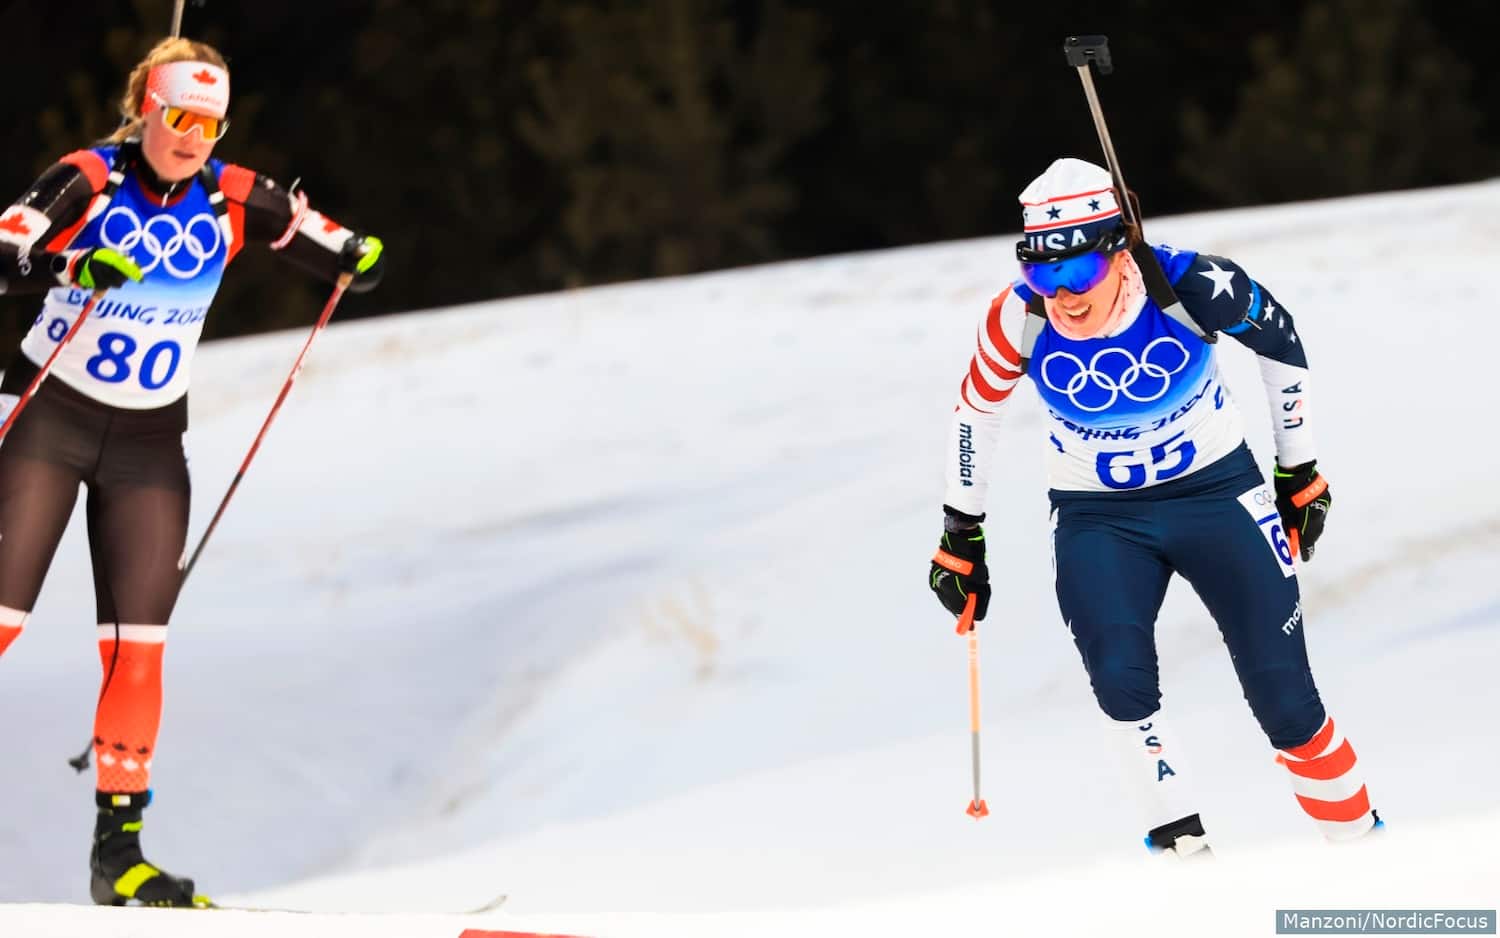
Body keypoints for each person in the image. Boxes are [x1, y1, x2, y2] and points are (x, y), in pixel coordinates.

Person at [0, 37, 384, 906]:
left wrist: (358, 257)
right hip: (48, 420)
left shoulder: (234, 193)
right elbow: (4, 251)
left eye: (209, 122)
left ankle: (118, 861)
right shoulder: (90, 177)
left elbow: (335, 250)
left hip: (146, 447)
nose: (192, 136)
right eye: (176, 117)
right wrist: (71, 262)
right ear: (146, 107)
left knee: (139, 651)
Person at [928, 157, 1377, 857]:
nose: (1064, 295)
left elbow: (1281, 343)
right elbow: (975, 412)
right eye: (1044, 275)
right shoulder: (1017, 316)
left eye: (1080, 273)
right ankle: (1186, 872)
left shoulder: (1189, 284)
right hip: (1098, 517)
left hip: (1217, 497)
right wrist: (961, 531)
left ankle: (1368, 857)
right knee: (1118, 677)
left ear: (1119, 247)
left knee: (1286, 702)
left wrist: (1301, 471)